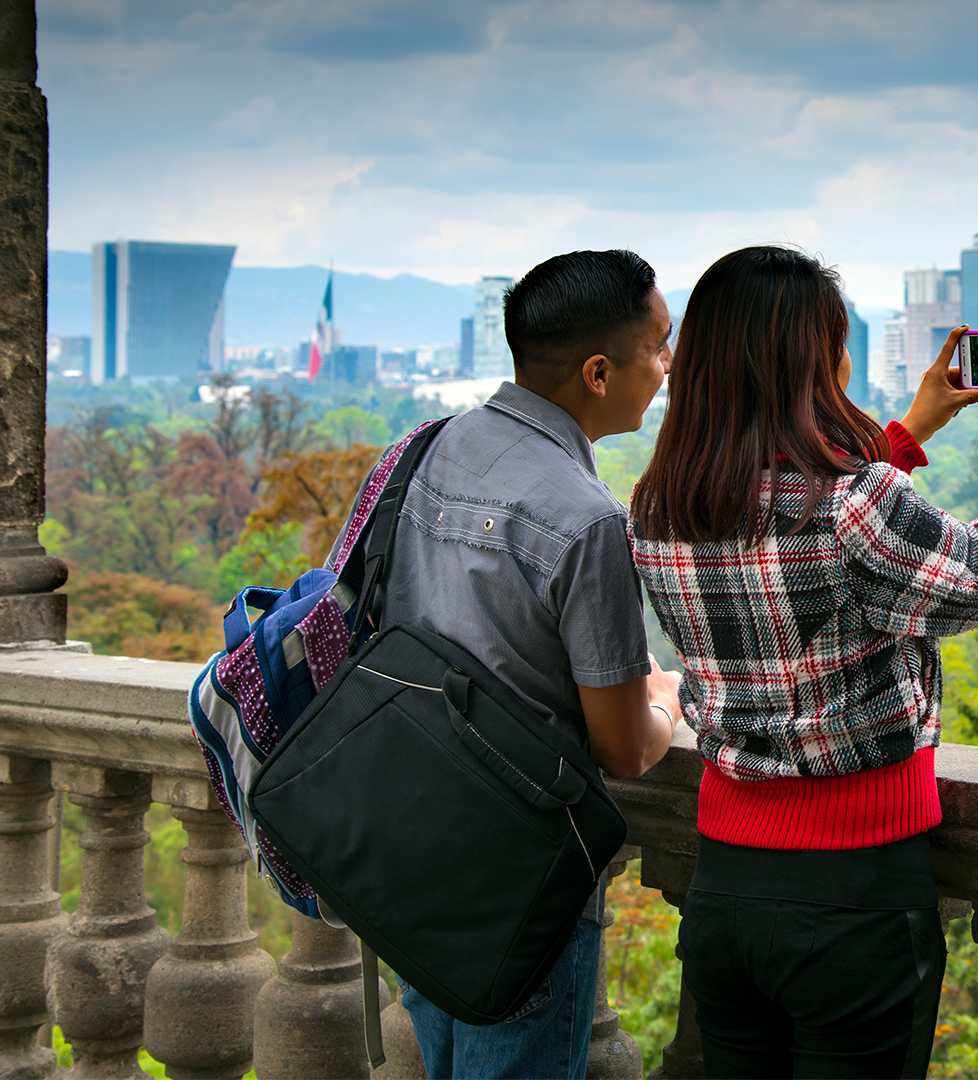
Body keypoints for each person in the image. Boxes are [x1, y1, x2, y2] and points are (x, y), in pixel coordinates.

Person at [629, 245, 978, 1079]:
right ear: (815, 362)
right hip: (854, 893)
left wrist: (908, 433)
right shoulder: (855, 505)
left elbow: (809, 537)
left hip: (723, 886)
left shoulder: (660, 506)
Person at [377, 249, 684, 1079]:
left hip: (405, 843)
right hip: (517, 880)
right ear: (597, 373)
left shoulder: (423, 450)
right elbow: (624, 749)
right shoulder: (586, 520)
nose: (668, 365)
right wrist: (664, 699)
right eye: (658, 344)